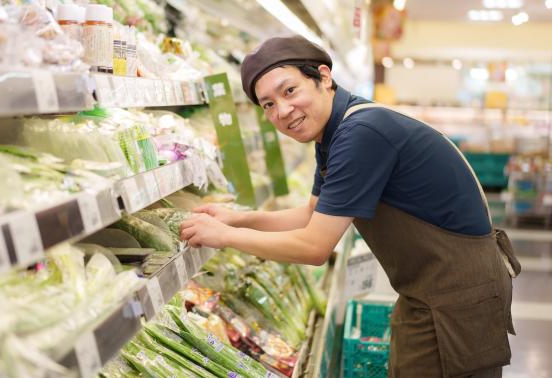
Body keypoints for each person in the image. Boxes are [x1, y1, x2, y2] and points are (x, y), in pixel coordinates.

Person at [180, 35, 521, 377]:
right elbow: (311, 215)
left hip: (457, 295)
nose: (282, 111)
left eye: (289, 91)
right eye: (267, 104)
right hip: (430, 287)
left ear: (323, 77)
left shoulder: (361, 133)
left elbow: (314, 246)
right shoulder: (333, 132)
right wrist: (238, 219)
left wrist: (223, 236)